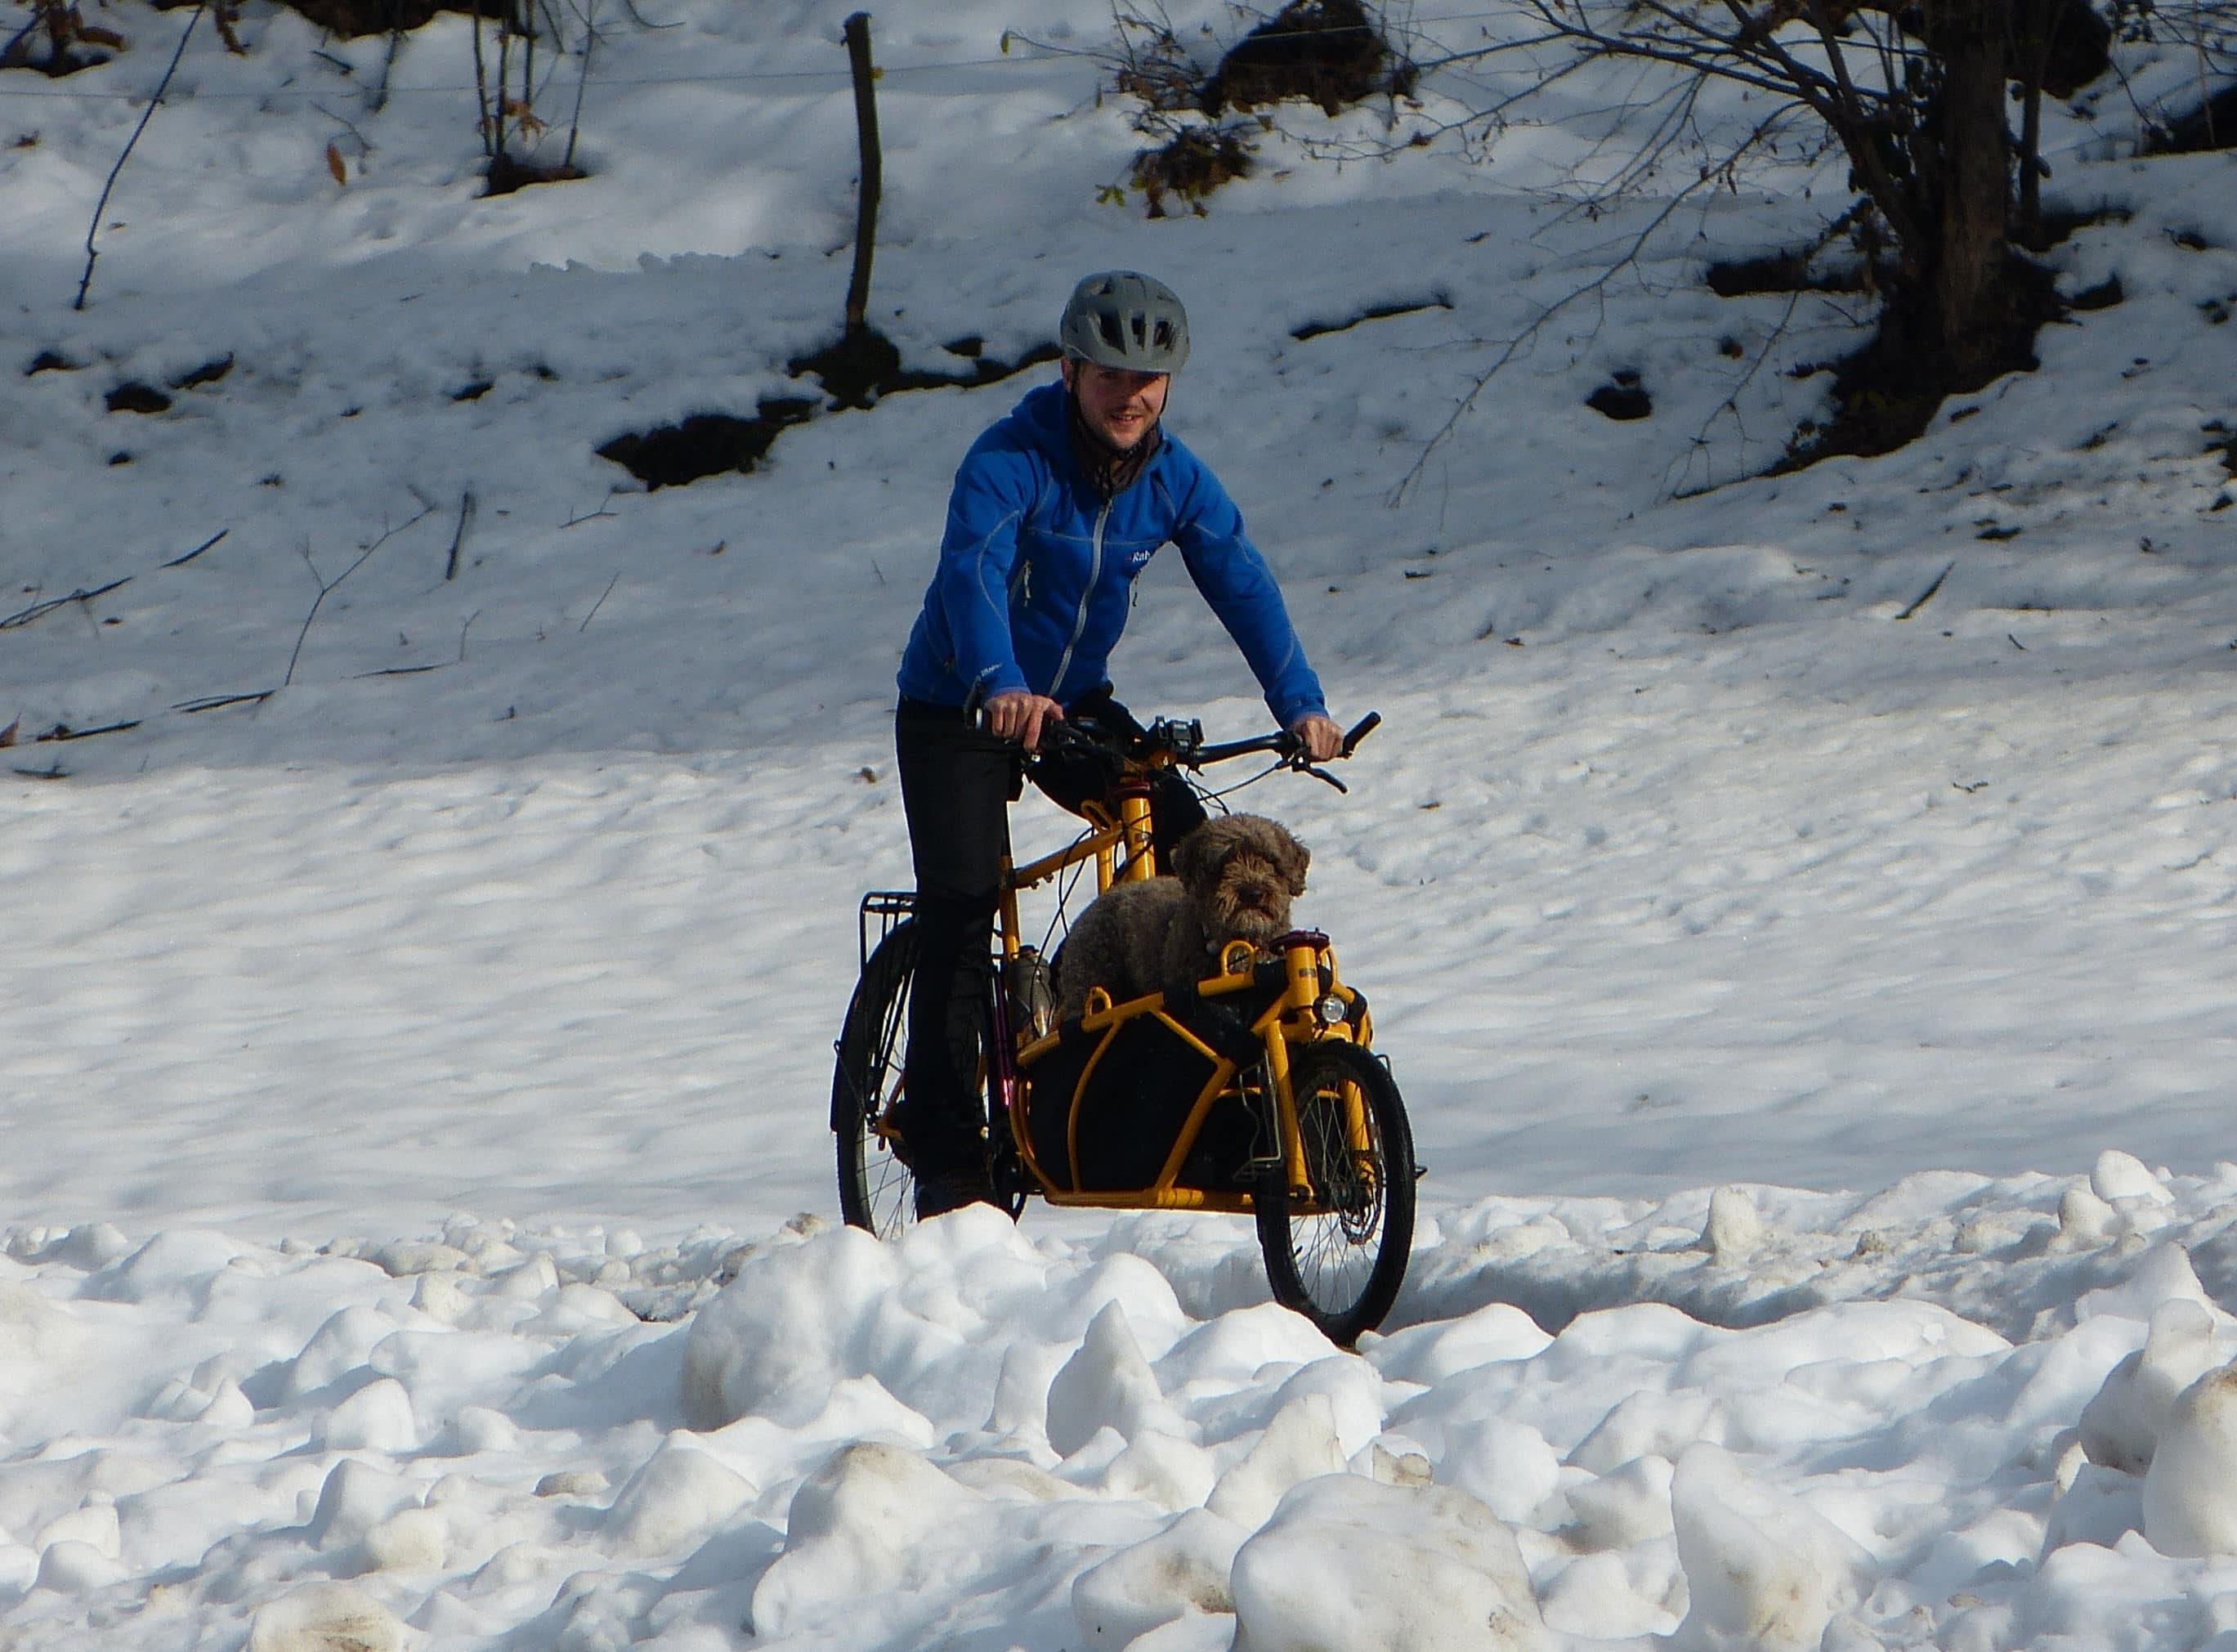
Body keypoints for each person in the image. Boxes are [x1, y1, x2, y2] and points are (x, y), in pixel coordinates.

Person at [891, 270, 1344, 1218]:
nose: (1129, 394)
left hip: (1071, 699)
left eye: (1149, 378)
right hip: (959, 700)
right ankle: (943, 1143)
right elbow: (971, 573)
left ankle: (1195, 1091)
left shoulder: (1174, 476)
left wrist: (1300, 703)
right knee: (965, 904)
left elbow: (1240, 577)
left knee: (1189, 855)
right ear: (1069, 370)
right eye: (1108, 375)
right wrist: (996, 683)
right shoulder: (1008, 458)